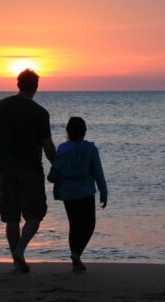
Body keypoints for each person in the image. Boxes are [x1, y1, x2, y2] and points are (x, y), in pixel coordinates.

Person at [0, 69, 56, 273]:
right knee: (35, 214)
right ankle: (20, 250)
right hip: (31, 169)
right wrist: (58, 166)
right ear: (36, 86)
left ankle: (17, 260)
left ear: (18, 84)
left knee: (11, 217)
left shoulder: (1, 106)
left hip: (6, 169)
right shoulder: (40, 113)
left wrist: (2, 153)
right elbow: (48, 146)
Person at [47, 116, 108, 272]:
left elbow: (56, 172)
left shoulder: (62, 149)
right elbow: (98, 172)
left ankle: (75, 258)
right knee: (89, 225)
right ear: (85, 131)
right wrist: (103, 192)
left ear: (68, 131)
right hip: (85, 192)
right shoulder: (90, 149)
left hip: (68, 193)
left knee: (74, 225)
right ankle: (76, 254)